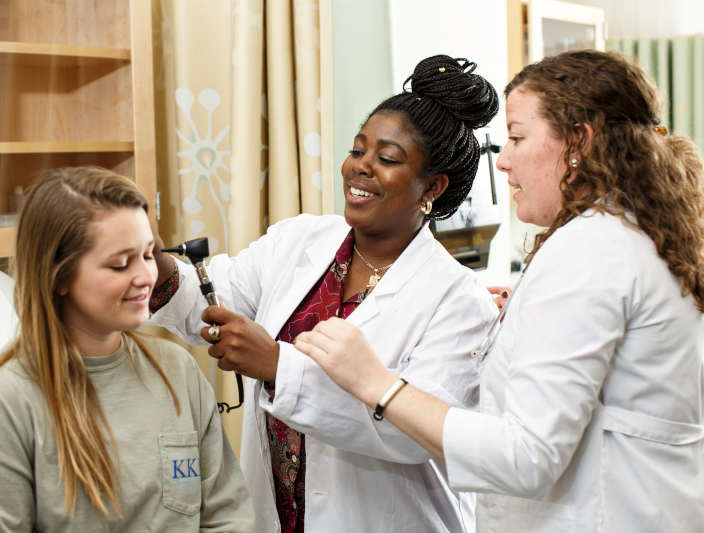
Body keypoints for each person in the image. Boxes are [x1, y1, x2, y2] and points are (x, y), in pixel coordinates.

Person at [295, 49, 704, 532]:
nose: (503, 160)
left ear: (579, 142)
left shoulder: (590, 251)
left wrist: (376, 384)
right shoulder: (630, 236)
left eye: (516, 137)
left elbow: (526, 456)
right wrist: (524, 323)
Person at [149, 54, 499, 532]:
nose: (360, 168)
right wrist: (147, 255)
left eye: (387, 159)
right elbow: (209, 301)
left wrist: (276, 365)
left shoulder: (459, 301)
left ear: (431, 187)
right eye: (358, 150)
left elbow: (416, 434)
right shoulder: (300, 242)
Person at [0, 168, 254, 532]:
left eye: (147, 255)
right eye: (120, 263)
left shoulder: (177, 371)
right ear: (58, 275)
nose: (145, 277)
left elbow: (228, 516)